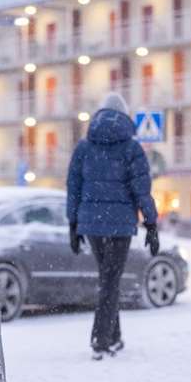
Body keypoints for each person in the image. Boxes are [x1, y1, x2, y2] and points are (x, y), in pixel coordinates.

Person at [66, 92, 159, 361]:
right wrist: (151, 223)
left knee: (108, 279)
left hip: (92, 224)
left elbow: (73, 187)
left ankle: (114, 337)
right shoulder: (131, 148)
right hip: (119, 225)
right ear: (125, 116)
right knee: (110, 281)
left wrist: (73, 224)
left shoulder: (84, 147)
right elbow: (142, 188)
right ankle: (100, 339)